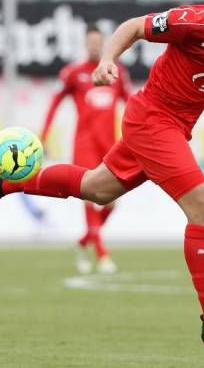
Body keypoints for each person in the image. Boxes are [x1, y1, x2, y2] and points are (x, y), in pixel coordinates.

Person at [0, 0, 204, 355]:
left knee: (98, 188)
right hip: (152, 119)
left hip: (176, 127)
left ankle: (2, 184)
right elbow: (134, 27)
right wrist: (108, 60)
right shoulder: (193, 22)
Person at [41, 24, 131, 274]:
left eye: (97, 42)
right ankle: (102, 255)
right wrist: (43, 136)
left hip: (109, 146)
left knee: (112, 203)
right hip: (85, 145)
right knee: (90, 199)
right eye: (90, 42)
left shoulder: (116, 72)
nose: (94, 46)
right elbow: (54, 103)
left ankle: (83, 243)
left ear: (103, 44)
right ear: (85, 44)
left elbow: (132, 103)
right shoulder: (73, 73)